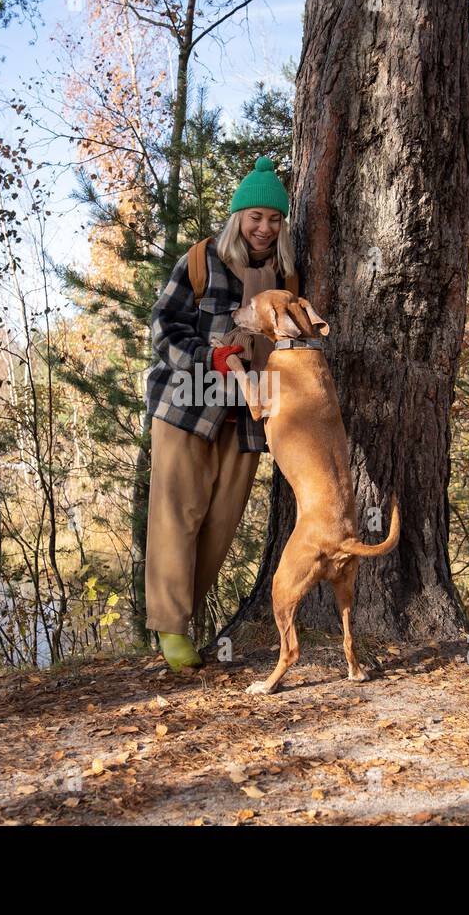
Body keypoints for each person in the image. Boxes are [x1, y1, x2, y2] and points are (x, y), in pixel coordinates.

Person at [143, 156, 300, 671]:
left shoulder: (285, 273)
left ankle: (180, 613)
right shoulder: (201, 260)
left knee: (220, 525)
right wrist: (208, 356)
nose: (264, 227)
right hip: (188, 404)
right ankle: (170, 628)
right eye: (255, 216)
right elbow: (163, 326)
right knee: (177, 516)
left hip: (249, 416)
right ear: (238, 219)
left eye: (274, 219)